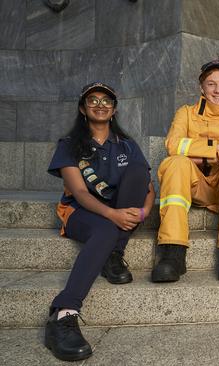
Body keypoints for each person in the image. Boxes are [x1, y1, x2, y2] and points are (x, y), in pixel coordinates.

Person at [45, 82, 155, 361]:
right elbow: (80, 193)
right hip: (81, 212)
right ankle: (63, 314)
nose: (100, 104)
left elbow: (148, 187)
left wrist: (142, 213)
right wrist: (113, 215)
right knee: (105, 229)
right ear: (83, 108)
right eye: (92, 100)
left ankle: (112, 254)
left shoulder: (127, 145)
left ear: (114, 108)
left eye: (106, 100)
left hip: (119, 210)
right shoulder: (69, 145)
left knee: (138, 172)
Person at [153, 59, 219, 282]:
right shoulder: (186, 112)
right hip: (193, 185)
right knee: (175, 163)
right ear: (201, 87)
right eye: (211, 84)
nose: (218, 90)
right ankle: (173, 254)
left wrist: (200, 152)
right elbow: (174, 146)